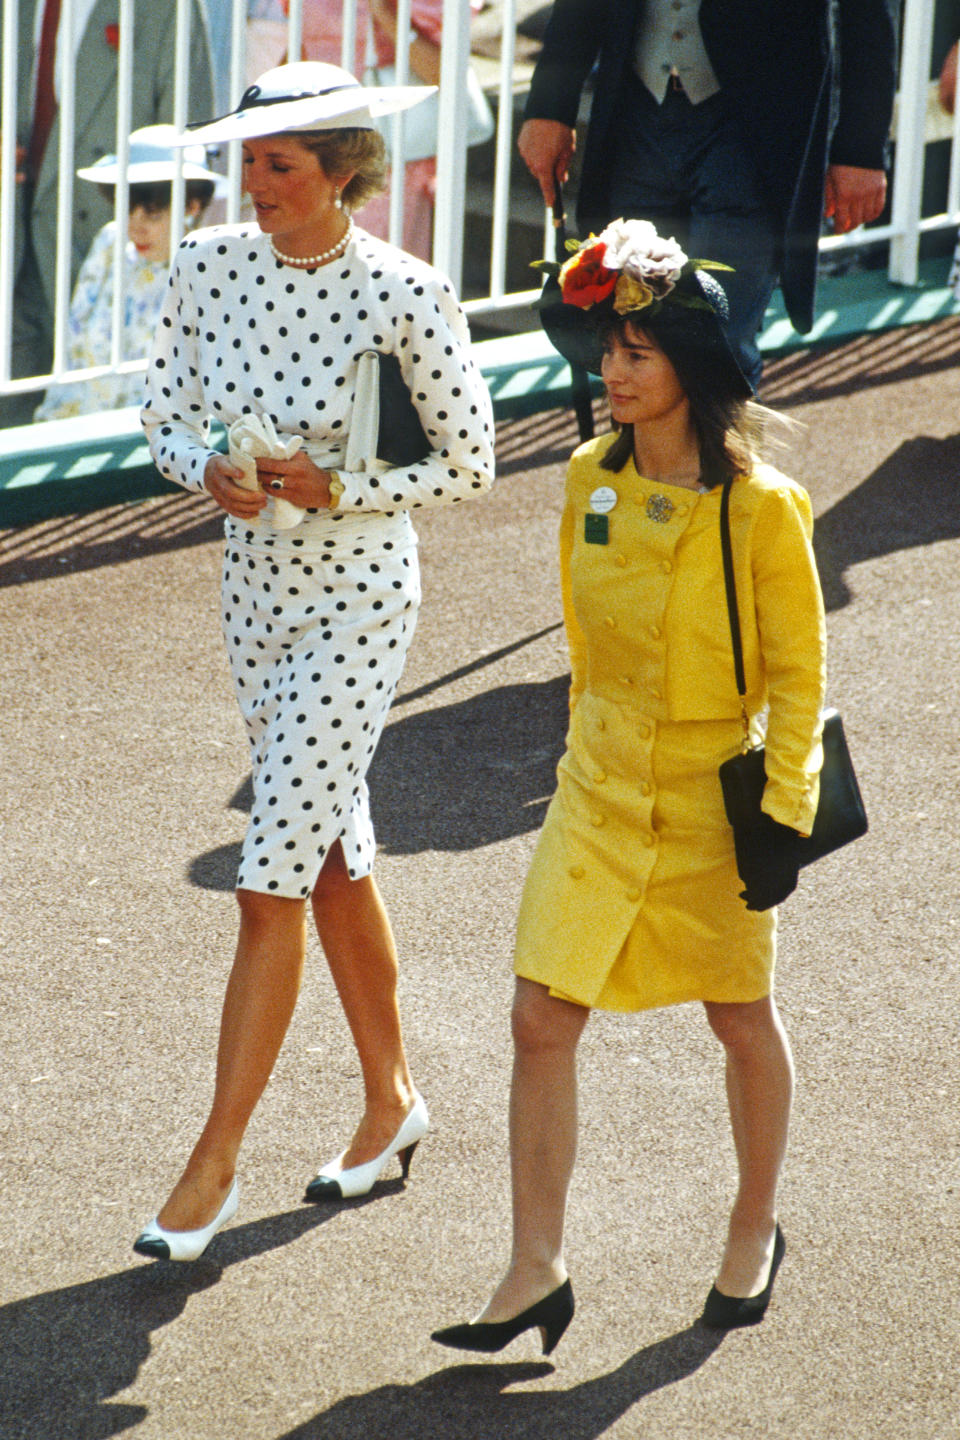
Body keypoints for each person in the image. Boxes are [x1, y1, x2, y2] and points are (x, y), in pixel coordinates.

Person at [431, 219, 826, 1352]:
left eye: (637, 354)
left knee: (738, 1020)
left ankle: (754, 1225)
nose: (610, 370)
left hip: (715, 797)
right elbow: (583, 650)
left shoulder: (763, 510)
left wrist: (784, 812)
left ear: (690, 372)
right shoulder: (583, 480)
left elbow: (799, 674)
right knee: (539, 1016)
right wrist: (577, 765)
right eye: (608, 348)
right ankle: (533, 1269)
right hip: (596, 788)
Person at [133, 61, 495, 1262]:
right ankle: (393, 1102)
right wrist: (210, 474)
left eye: (281, 163)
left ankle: (212, 1163)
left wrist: (345, 489)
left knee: (268, 874)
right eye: (247, 161)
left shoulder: (408, 289)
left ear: (346, 170)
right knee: (333, 856)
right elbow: (162, 418)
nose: (256, 184)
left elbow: (473, 462)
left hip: (360, 608)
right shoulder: (204, 268)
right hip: (253, 599)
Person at [517, 0, 899, 387]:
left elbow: (865, 11)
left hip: (754, 130)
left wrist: (860, 148)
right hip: (635, 120)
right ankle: (643, 450)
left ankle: (719, 449)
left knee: (721, 339)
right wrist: (550, 107)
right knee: (629, 331)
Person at [1, 0, 213, 427]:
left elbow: (188, 141)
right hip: (15, 257)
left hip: (118, 270)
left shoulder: (167, 8)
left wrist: (149, 222)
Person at [34, 127, 221, 422]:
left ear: (191, 206)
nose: (136, 228)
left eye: (153, 214)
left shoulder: (206, 268)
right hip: (85, 426)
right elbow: (74, 340)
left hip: (160, 440)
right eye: (127, 211)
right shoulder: (111, 243)